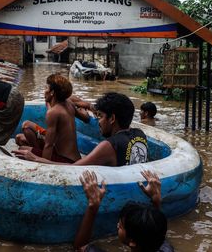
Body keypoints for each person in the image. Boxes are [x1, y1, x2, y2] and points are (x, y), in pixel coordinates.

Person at [13, 92, 148, 166]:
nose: (98, 122)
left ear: (112, 119)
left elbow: (74, 169)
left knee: (24, 151)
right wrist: (89, 106)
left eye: (100, 116)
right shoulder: (140, 135)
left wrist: (35, 159)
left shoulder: (108, 146)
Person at [74, 170, 171, 252]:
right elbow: (156, 232)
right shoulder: (165, 248)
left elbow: (81, 247)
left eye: (120, 226)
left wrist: (93, 207)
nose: (117, 225)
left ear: (132, 242)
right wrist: (156, 201)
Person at [15, 74, 90, 163]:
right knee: (21, 137)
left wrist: (43, 163)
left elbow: (49, 145)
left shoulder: (53, 112)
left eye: (46, 88)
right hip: (76, 158)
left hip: (66, 160)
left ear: (52, 92)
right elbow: (86, 118)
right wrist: (85, 111)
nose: (44, 91)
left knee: (21, 150)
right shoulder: (69, 103)